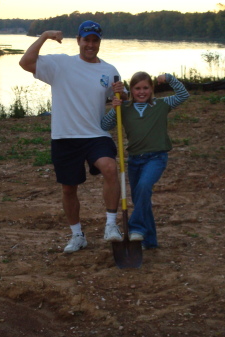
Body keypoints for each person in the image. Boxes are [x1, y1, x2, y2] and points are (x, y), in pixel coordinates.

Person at [19, 20, 127, 253]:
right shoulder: (60, 64)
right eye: (86, 40)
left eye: (94, 40)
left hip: (95, 134)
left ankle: (111, 226)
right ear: (78, 41)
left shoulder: (109, 70)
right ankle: (77, 235)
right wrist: (45, 35)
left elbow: (121, 96)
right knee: (69, 189)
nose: (90, 44)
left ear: (99, 43)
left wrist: (121, 97)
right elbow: (25, 62)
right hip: (64, 136)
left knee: (110, 167)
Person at [101, 72, 189, 249]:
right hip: (135, 160)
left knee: (143, 187)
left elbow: (183, 95)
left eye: (146, 88)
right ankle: (149, 242)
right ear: (131, 90)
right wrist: (114, 108)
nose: (142, 92)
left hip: (156, 157)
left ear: (152, 89)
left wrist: (170, 78)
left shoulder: (162, 104)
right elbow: (105, 125)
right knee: (141, 198)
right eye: (137, 88)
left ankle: (136, 228)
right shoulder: (125, 108)